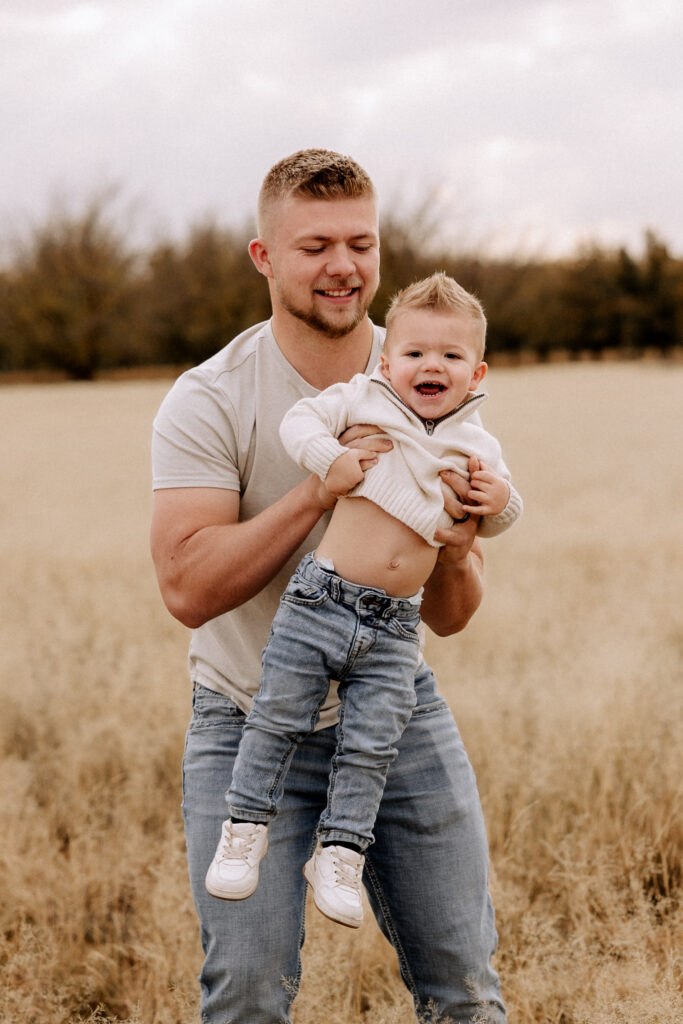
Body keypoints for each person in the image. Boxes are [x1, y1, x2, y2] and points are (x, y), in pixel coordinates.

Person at [151, 149, 507, 1024]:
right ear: (263, 257)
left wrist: (457, 549)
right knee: (244, 999)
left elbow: (453, 618)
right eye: (314, 247)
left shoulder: (429, 365)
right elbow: (187, 588)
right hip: (246, 715)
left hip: (395, 711)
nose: (343, 266)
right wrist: (321, 487)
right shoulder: (211, 398)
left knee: (464, 990)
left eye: (361, 243)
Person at [205, 272, 522, 933]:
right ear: (386, 361)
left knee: (371, 745)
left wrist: (497, 505)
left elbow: (497, 513)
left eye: (450, 356)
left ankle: (341, 852)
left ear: (476, 372)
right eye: (413, 353)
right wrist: (330, 462)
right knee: (277, 718)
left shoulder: (477, 444)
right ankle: (245, 826)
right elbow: (301, 421)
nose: (429, 366)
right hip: (322, 601)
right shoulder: (361, 401)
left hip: (396, 628)